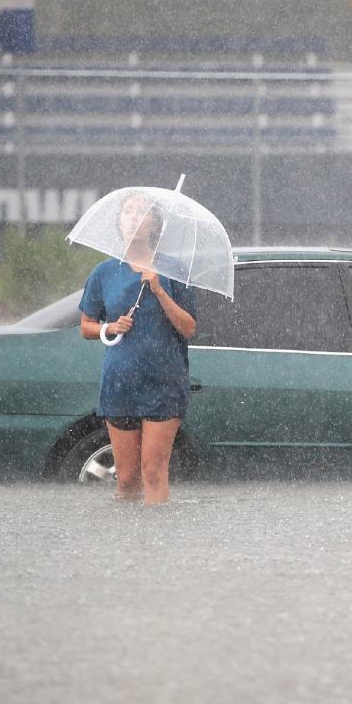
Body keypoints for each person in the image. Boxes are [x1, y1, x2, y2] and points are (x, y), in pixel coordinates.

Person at [78, 193, 197, 504]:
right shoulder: (104, 272)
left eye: (142, 212)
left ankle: (156, 545)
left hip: (163, 383)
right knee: (127, 478)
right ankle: (126, 545)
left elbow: (188, 328)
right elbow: (86, 326)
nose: (133, 217)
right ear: (119, 222)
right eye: (127, 212)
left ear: (154, 223)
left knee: (153, 471)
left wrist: (159, 289)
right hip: (120, 383)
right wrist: (110, 327)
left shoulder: (173, 270)